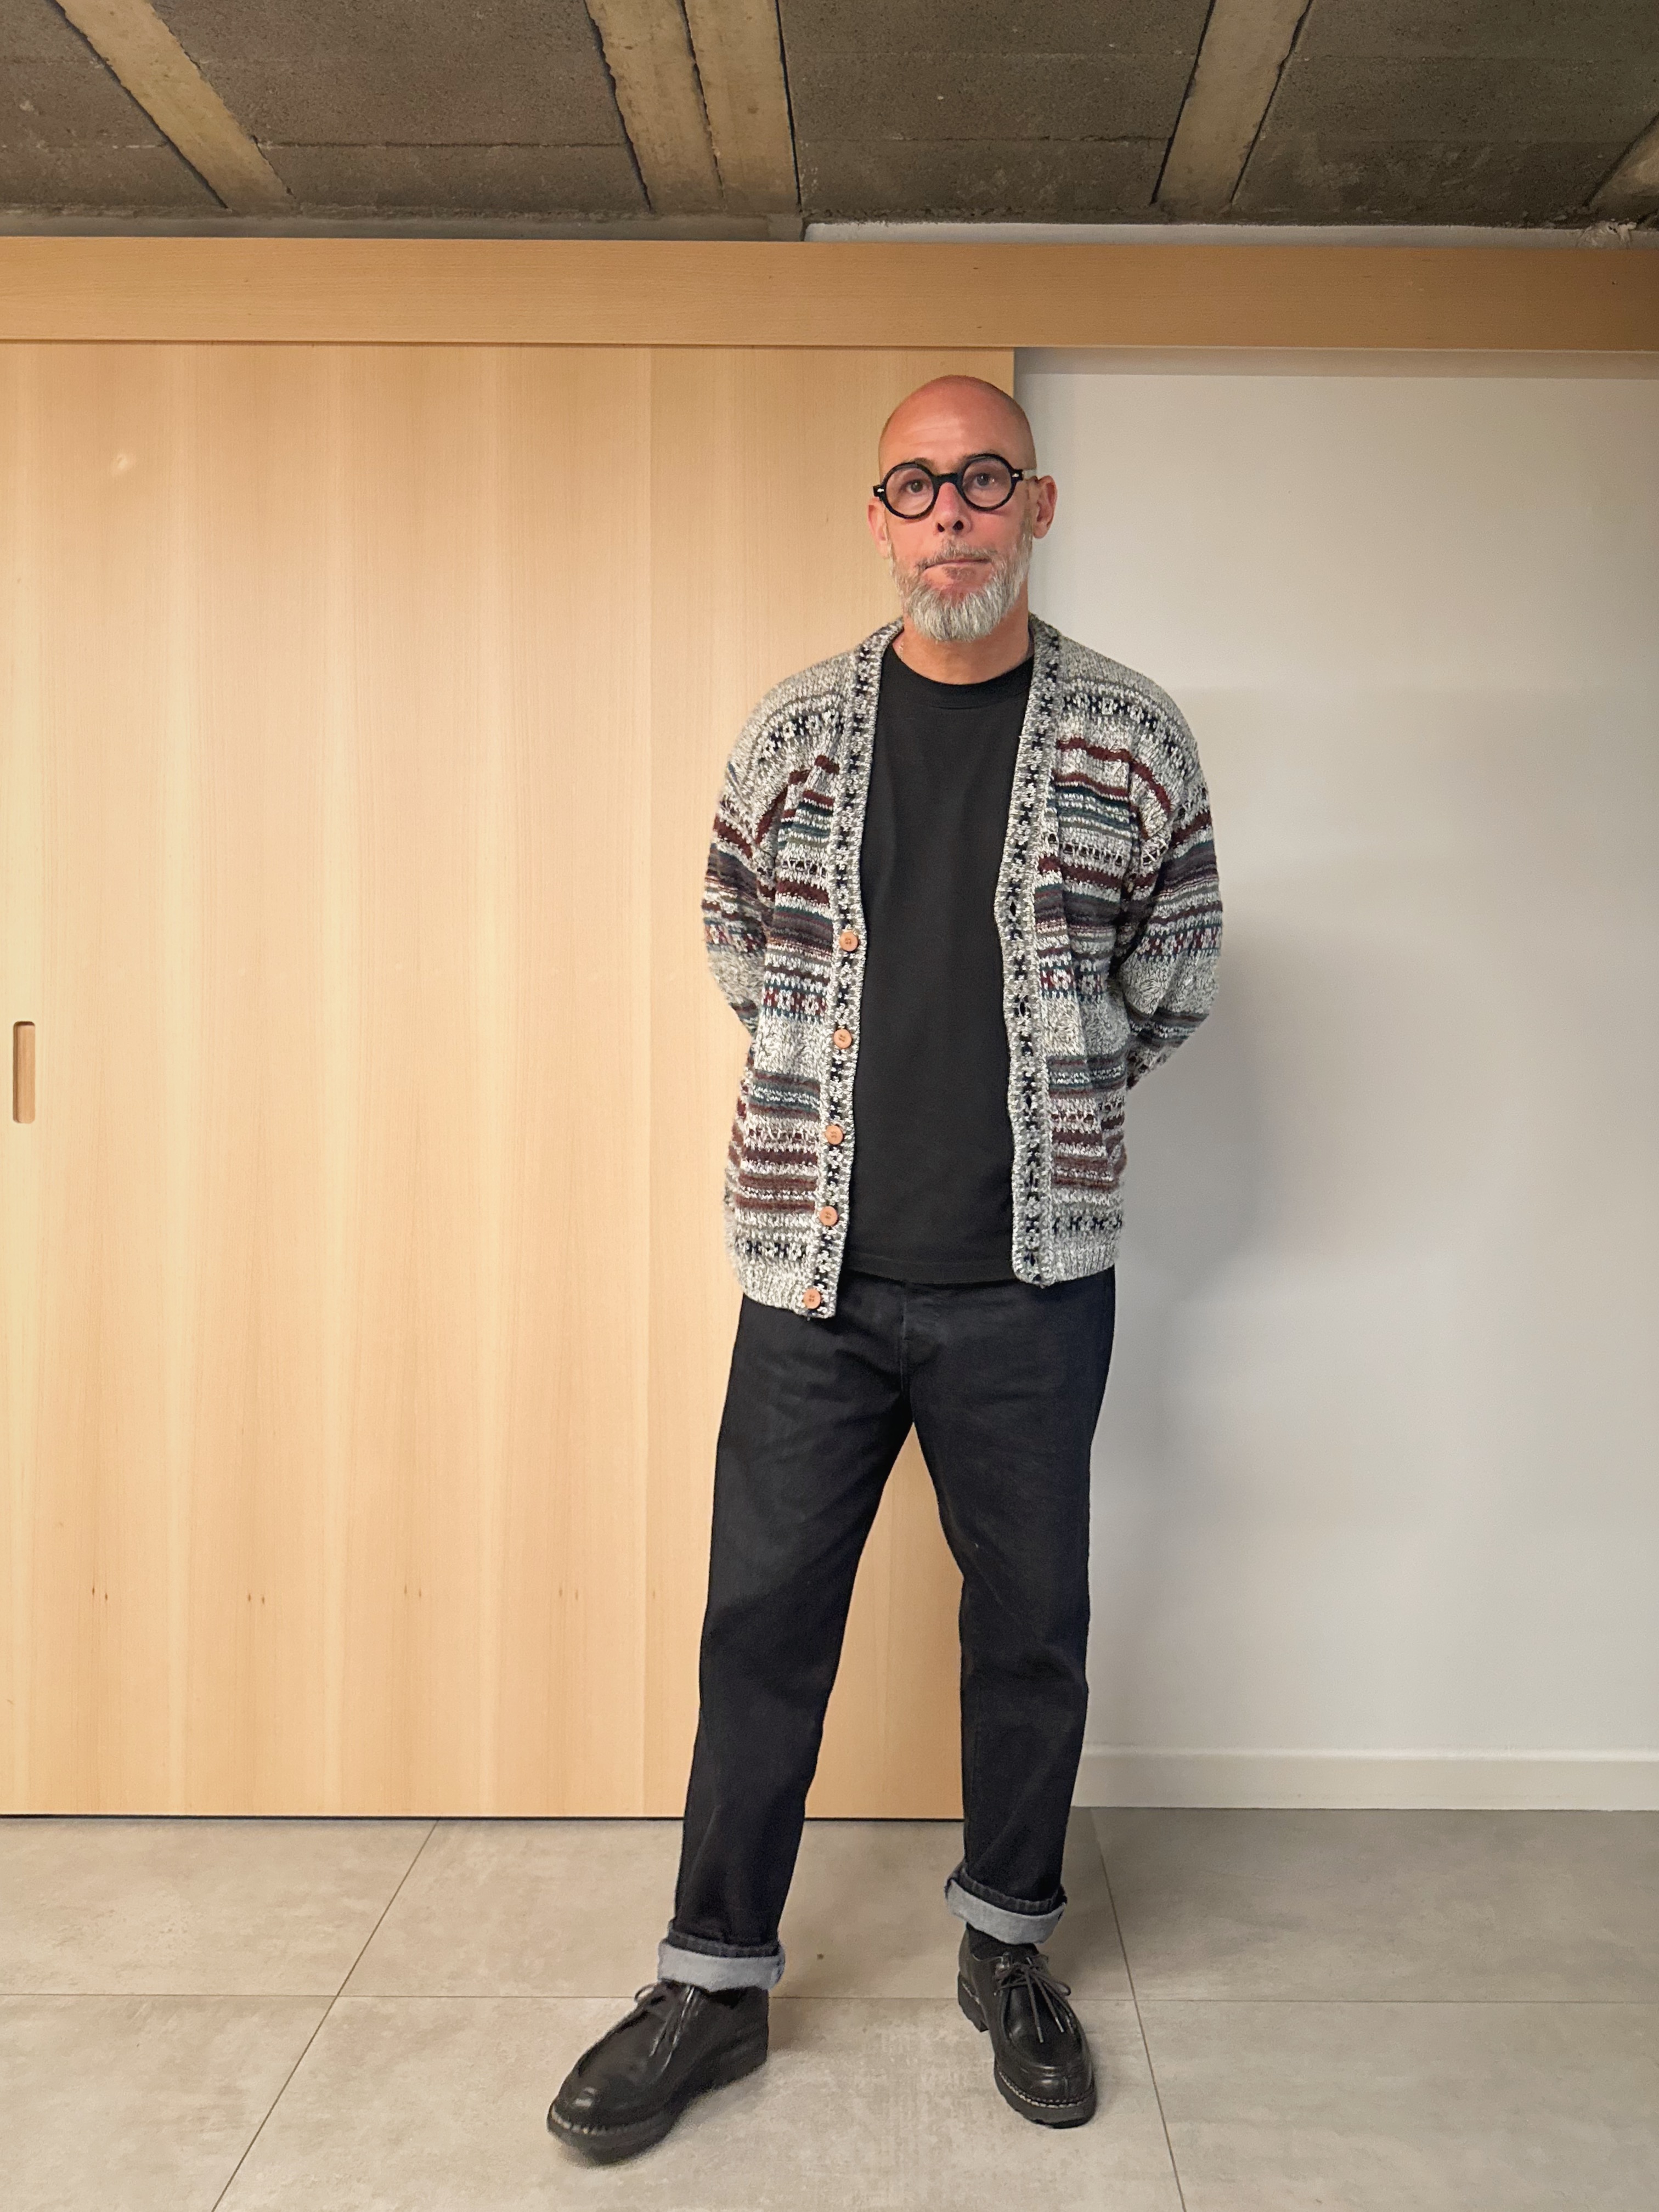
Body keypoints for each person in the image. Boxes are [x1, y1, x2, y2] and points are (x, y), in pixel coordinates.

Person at [547, 375, 1222, 2163]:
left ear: (1038, 506)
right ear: (878, 518)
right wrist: (821, 1107)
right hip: (812, 1280)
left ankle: (1008, 1949)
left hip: (1032, 1283)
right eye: (916, 487)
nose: (951, 514)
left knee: (1031, 1630)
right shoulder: (792, 733)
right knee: (762, 1624)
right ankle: (713, 1982)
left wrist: (1063, 1091)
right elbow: (736, 938)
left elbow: (1177, 966)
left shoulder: (1132, 738)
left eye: (983, 479)